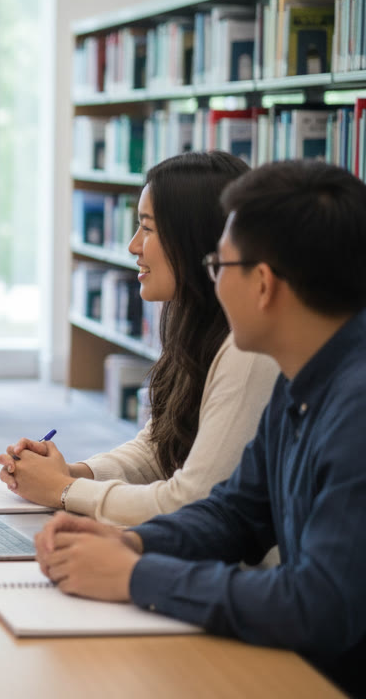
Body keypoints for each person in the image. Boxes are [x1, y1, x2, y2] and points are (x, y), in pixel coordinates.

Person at [34, 160, 366, 695]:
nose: (212, 281)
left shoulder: (356, 409)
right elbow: (236, 511)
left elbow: (318, 605)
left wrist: (134, 576)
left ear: (263, 285)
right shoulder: (300, 374)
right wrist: (134, 543)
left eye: (220, 264)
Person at [0, 151, 279, 525]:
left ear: (194, 239)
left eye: (147, 229)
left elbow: (193, 502)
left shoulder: (248, 352)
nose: (132, 246)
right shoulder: (195, 328)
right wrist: (72, 473)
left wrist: (63, 491)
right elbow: (157, 451)